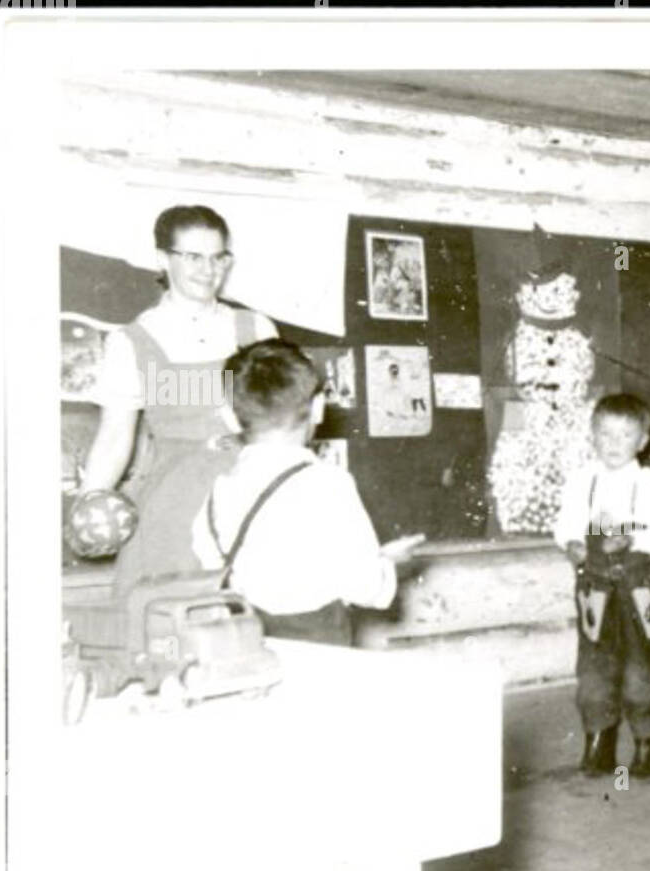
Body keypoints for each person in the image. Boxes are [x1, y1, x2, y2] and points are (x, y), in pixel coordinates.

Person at [80, 205, 278, 590]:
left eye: (218, 257)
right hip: (173, 508)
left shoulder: (257, 329)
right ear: (162, 259)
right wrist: (89, 504)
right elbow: (114, 438)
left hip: (251, 494)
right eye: (193, 257)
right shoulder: (131, 342)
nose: (209, 270)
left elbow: (288, 417)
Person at [190, 339, 425, 646]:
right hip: (318, 643)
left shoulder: (221, 488)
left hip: (245, 642)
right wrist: (386, 563)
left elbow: (212, 563)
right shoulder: (328, 483)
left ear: (230, 416)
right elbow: (363, 586)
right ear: (318, 407)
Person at [553, 393, 650, 779]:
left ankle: (648, 741)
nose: (613, 443)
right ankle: (599, 738)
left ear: (642, 441)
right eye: (605, 434)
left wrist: (632, 540)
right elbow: (566, 525)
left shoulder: (649, 482)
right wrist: (572, 544)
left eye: (625, 436)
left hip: (638, 586)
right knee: (594, 666)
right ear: (592, 434)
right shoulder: (582, 480)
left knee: (640, 669)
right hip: (595, 587)